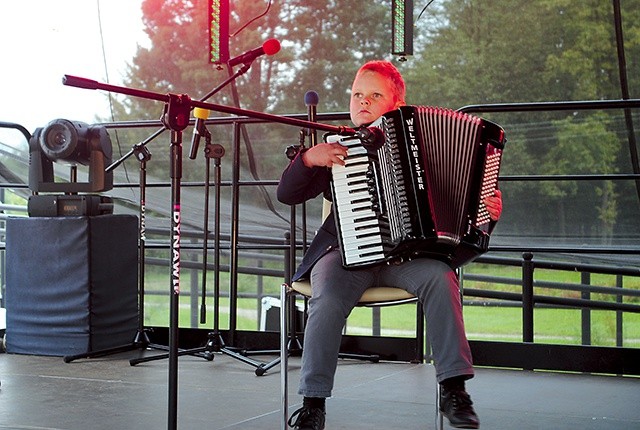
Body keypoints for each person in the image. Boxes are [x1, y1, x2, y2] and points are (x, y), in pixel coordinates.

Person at [277, 60, 503, 430]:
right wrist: (308, 158)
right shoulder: (337, 148)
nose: (363, 102)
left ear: (394, 105)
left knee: (440, 277)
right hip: (344, 254)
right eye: (357, 95)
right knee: (328, 297)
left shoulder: (422, 147)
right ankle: (313, 403)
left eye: (375, 95)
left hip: (405, 257)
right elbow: (287, 194)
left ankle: (454, 388)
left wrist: (488, 212)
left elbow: (464, 227)